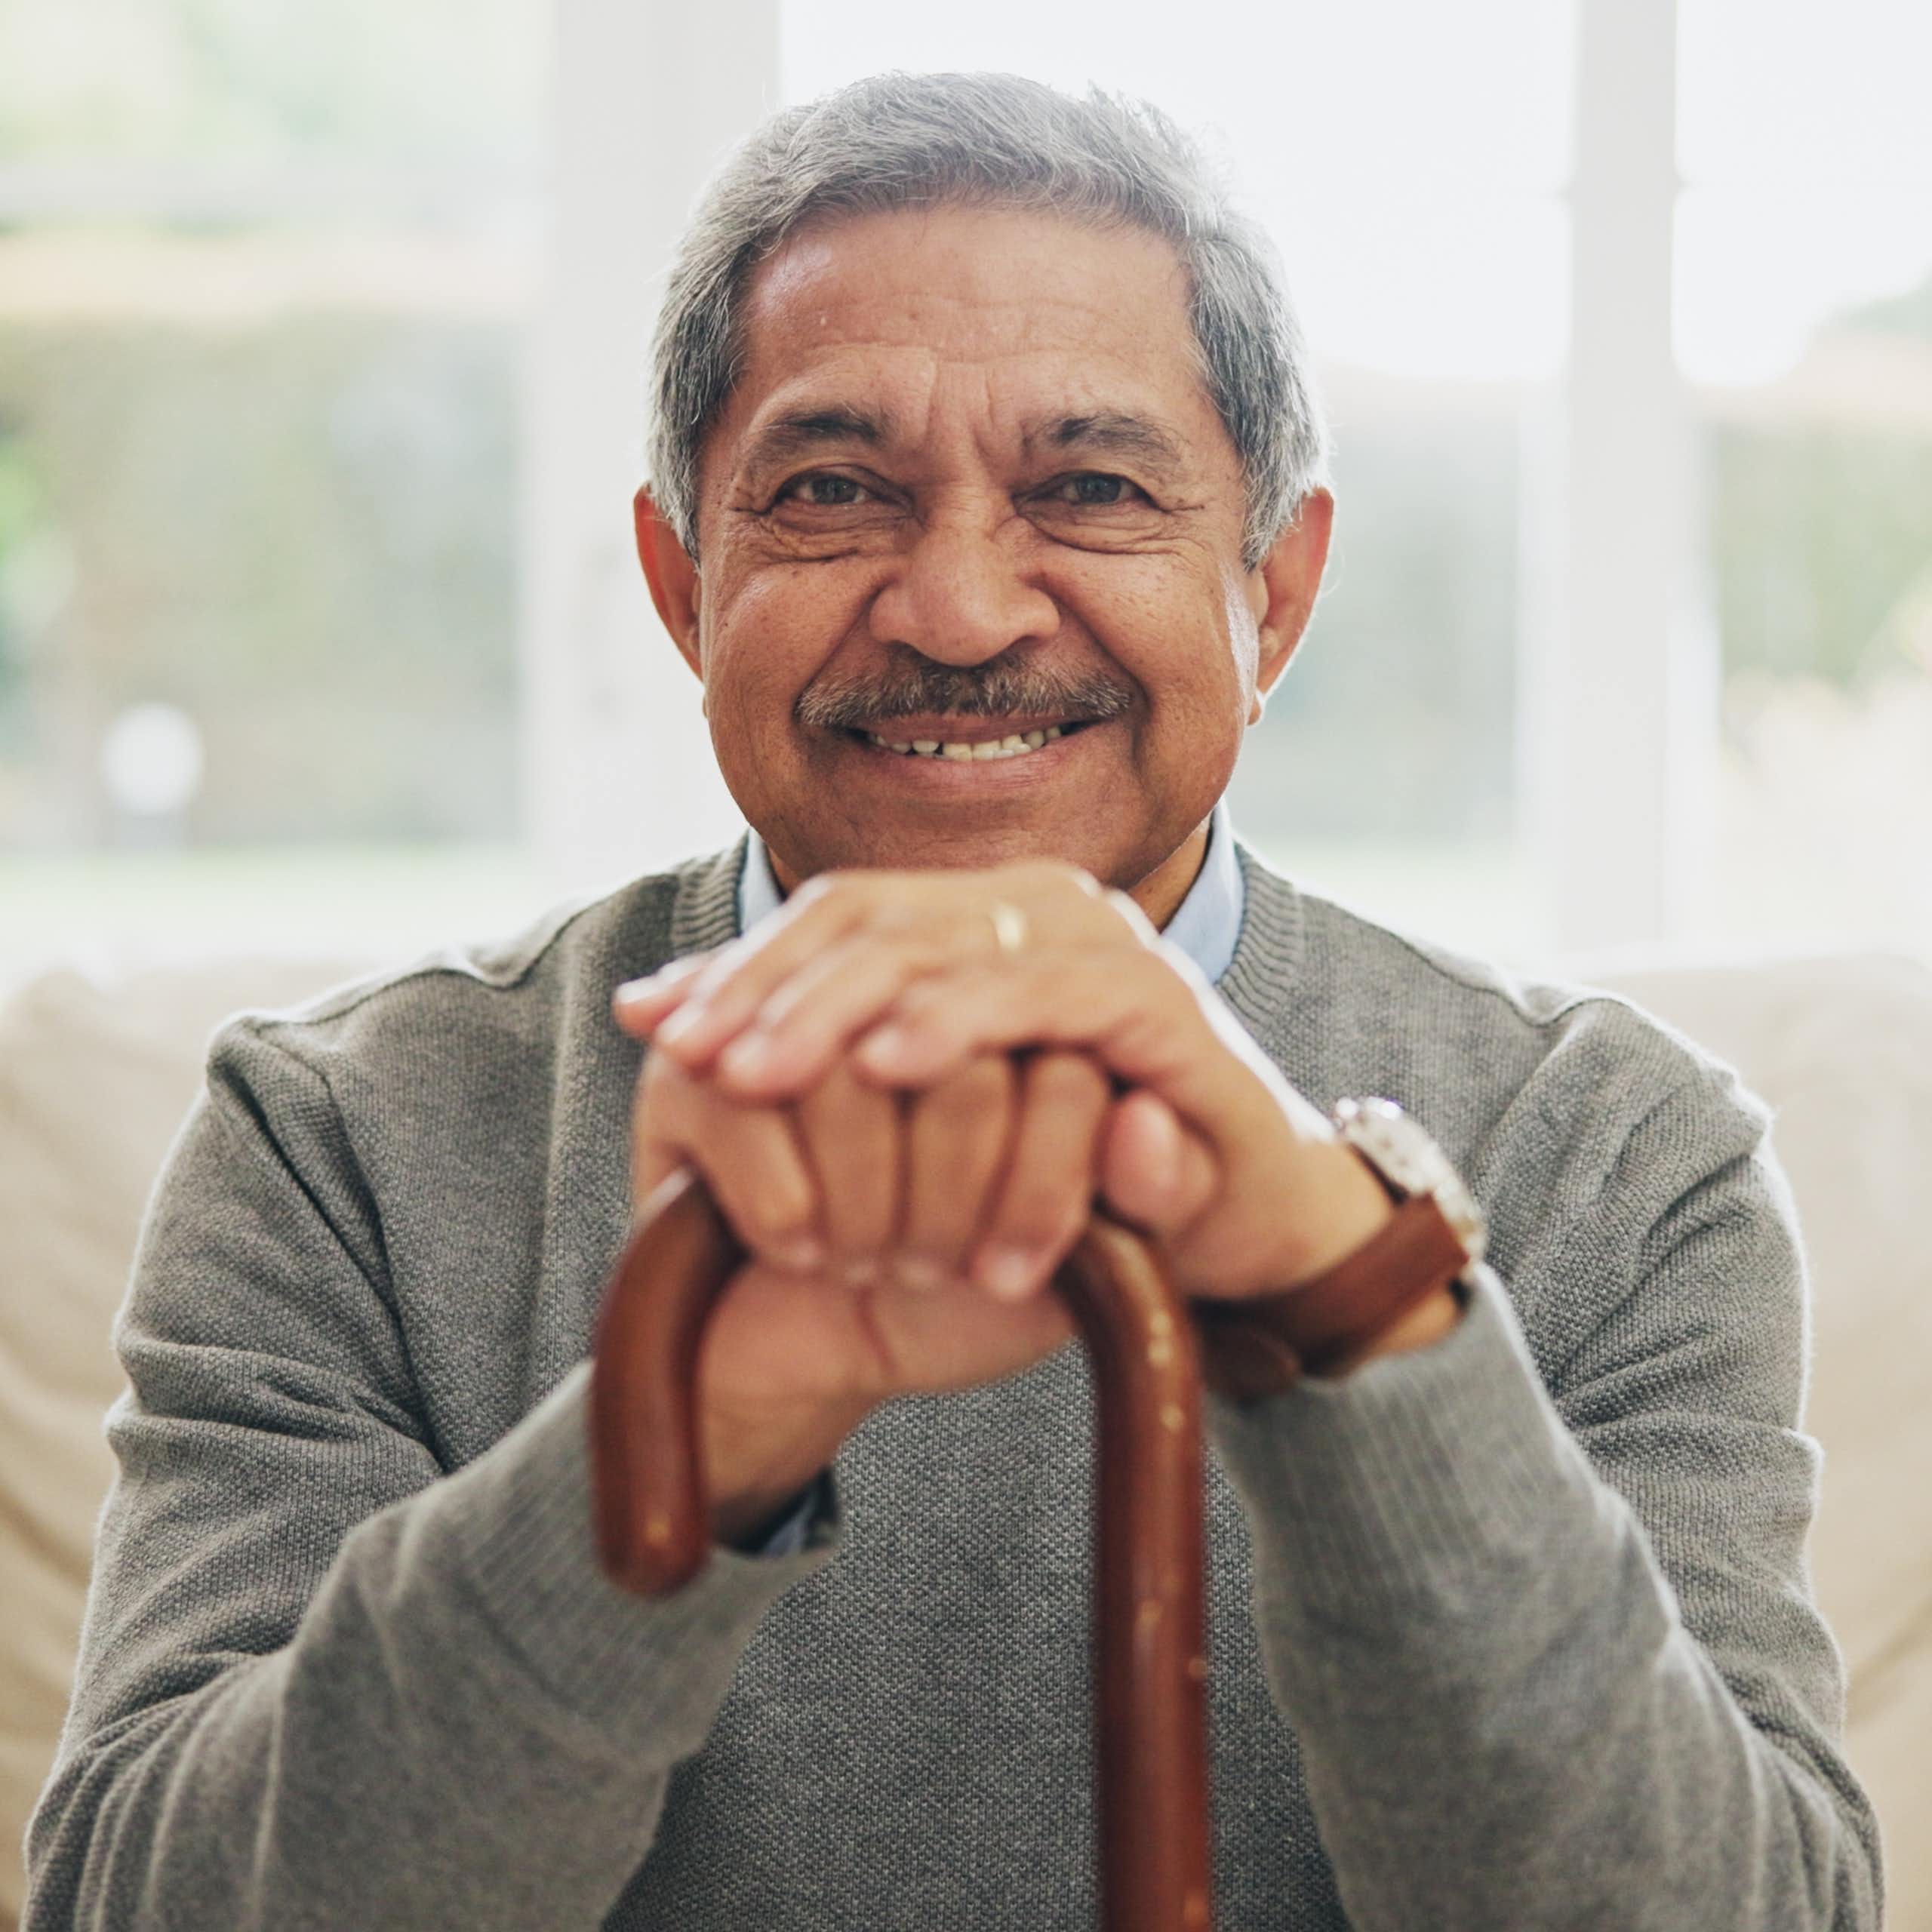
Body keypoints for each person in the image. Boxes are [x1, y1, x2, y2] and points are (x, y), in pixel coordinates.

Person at [26, 70, 1881, 1931]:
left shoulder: (1616, 1156)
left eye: (1089, 488)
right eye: (832, 493)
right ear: (685, 588)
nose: (966, 608)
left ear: (1277, 592)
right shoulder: (342, 1135)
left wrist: (1342, 1289)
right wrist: (690, 1427)